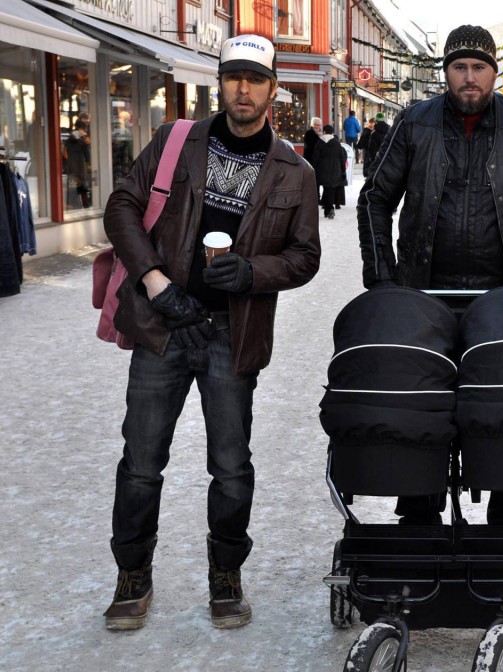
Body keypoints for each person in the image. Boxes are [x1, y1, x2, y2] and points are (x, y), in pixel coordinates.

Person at [101, 34, 321, 631]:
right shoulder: (176, 142)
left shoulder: (294, 173)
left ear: (273, 88)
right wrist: (154, 280)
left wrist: (253, 272)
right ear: (218, 83)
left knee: (231, 466)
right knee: (141, 461)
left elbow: (305, 257)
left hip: (233, 332)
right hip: (161, 327)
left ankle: (226, 578)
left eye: (255, 79)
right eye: (232, 78)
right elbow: (121, 205)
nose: (242, 89)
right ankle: (132, 577)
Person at [357, 24, 503, 526]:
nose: (469, 78)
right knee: (421, 405)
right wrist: (385, 282)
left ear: (495, 73)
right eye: (460, 67)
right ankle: (417, 508)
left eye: (479, 67)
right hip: (423, 295)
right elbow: (374, 199)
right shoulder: (415, 122)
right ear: (446, 73)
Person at [311, 123, 347, 218]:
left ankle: (329, 209)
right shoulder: (336, 143)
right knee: (330, 189)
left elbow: (315, 158)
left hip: (322, 169)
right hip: (335, 169)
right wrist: (343, 171)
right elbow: (341, 158)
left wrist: (313, 169)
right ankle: (329, 209)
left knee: (327, 189)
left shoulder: (320, 143)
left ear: (324, 131)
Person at [64, 113, 92, 208]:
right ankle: (85, 204)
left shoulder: (72, 137)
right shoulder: (81, 138)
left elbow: (66, 151)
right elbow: (86, 152)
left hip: (73, 164)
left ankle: (75, 204)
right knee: (82, 185)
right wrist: (89, 163)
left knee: (75, 185)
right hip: (80, 164)